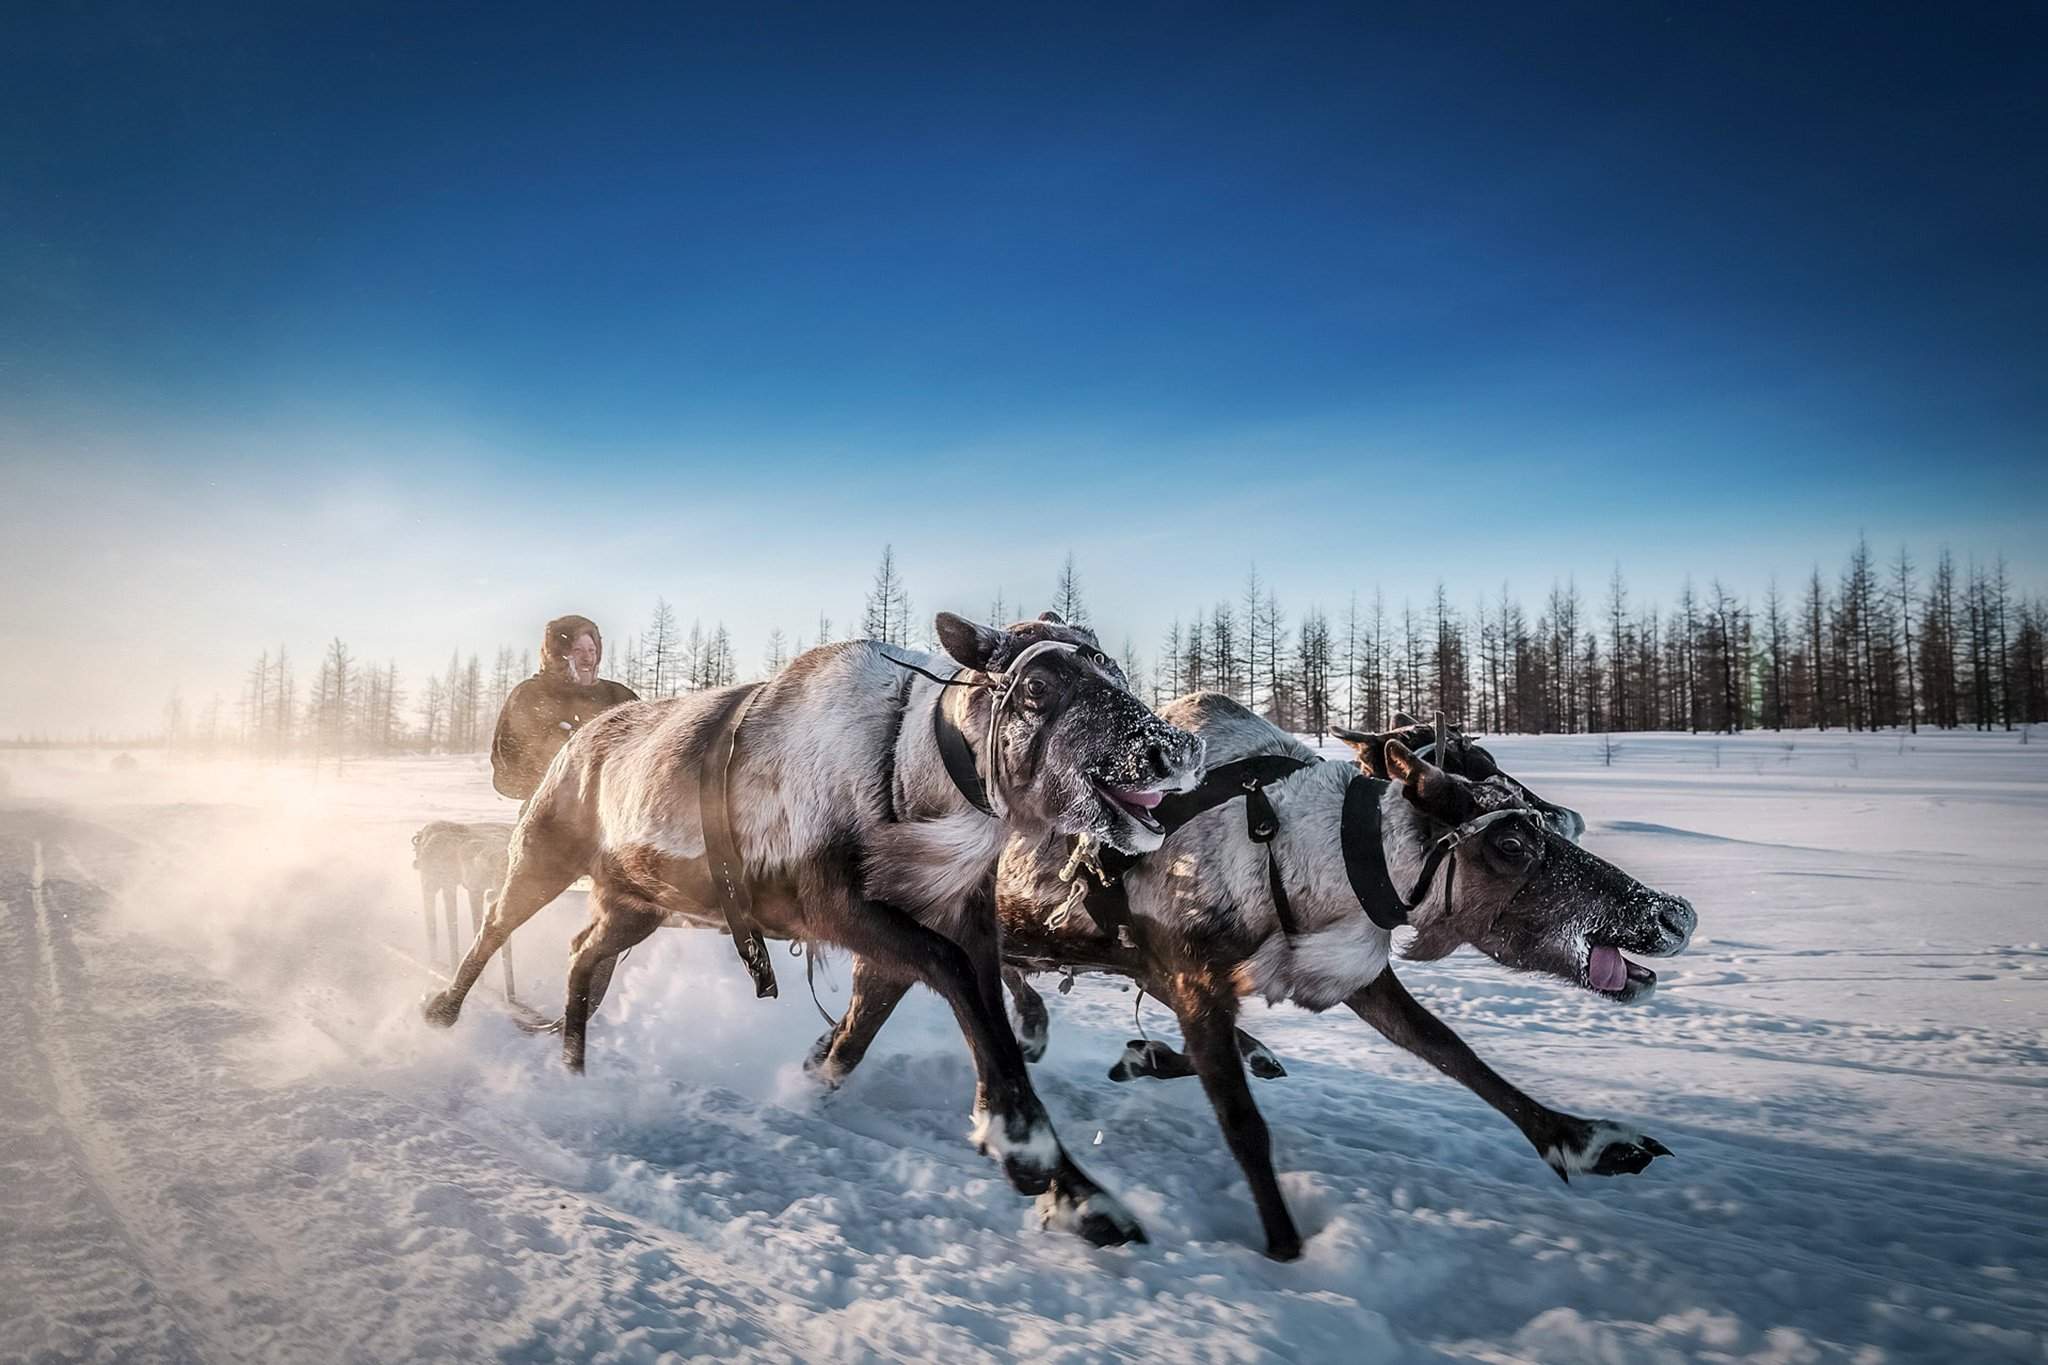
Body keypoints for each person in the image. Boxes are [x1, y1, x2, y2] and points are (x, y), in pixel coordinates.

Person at [490, 613, 640, 801]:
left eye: (592, 651)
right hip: (548, 805)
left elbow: (644, 747)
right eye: (578, 651)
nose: (587, 659)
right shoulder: (531, 695)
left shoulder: (618, 696)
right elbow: (508, 755)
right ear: (558, 655)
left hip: (608, 807)